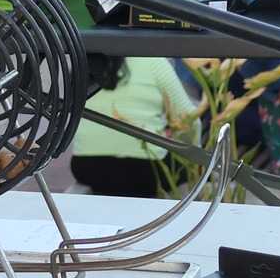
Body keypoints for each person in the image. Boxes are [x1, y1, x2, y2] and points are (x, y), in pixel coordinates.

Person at [70, 55, 197, 198]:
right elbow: (189, 119)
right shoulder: (152, 61)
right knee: (180, 167)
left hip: (87, 167)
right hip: (148, 170)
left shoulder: (85, 60)